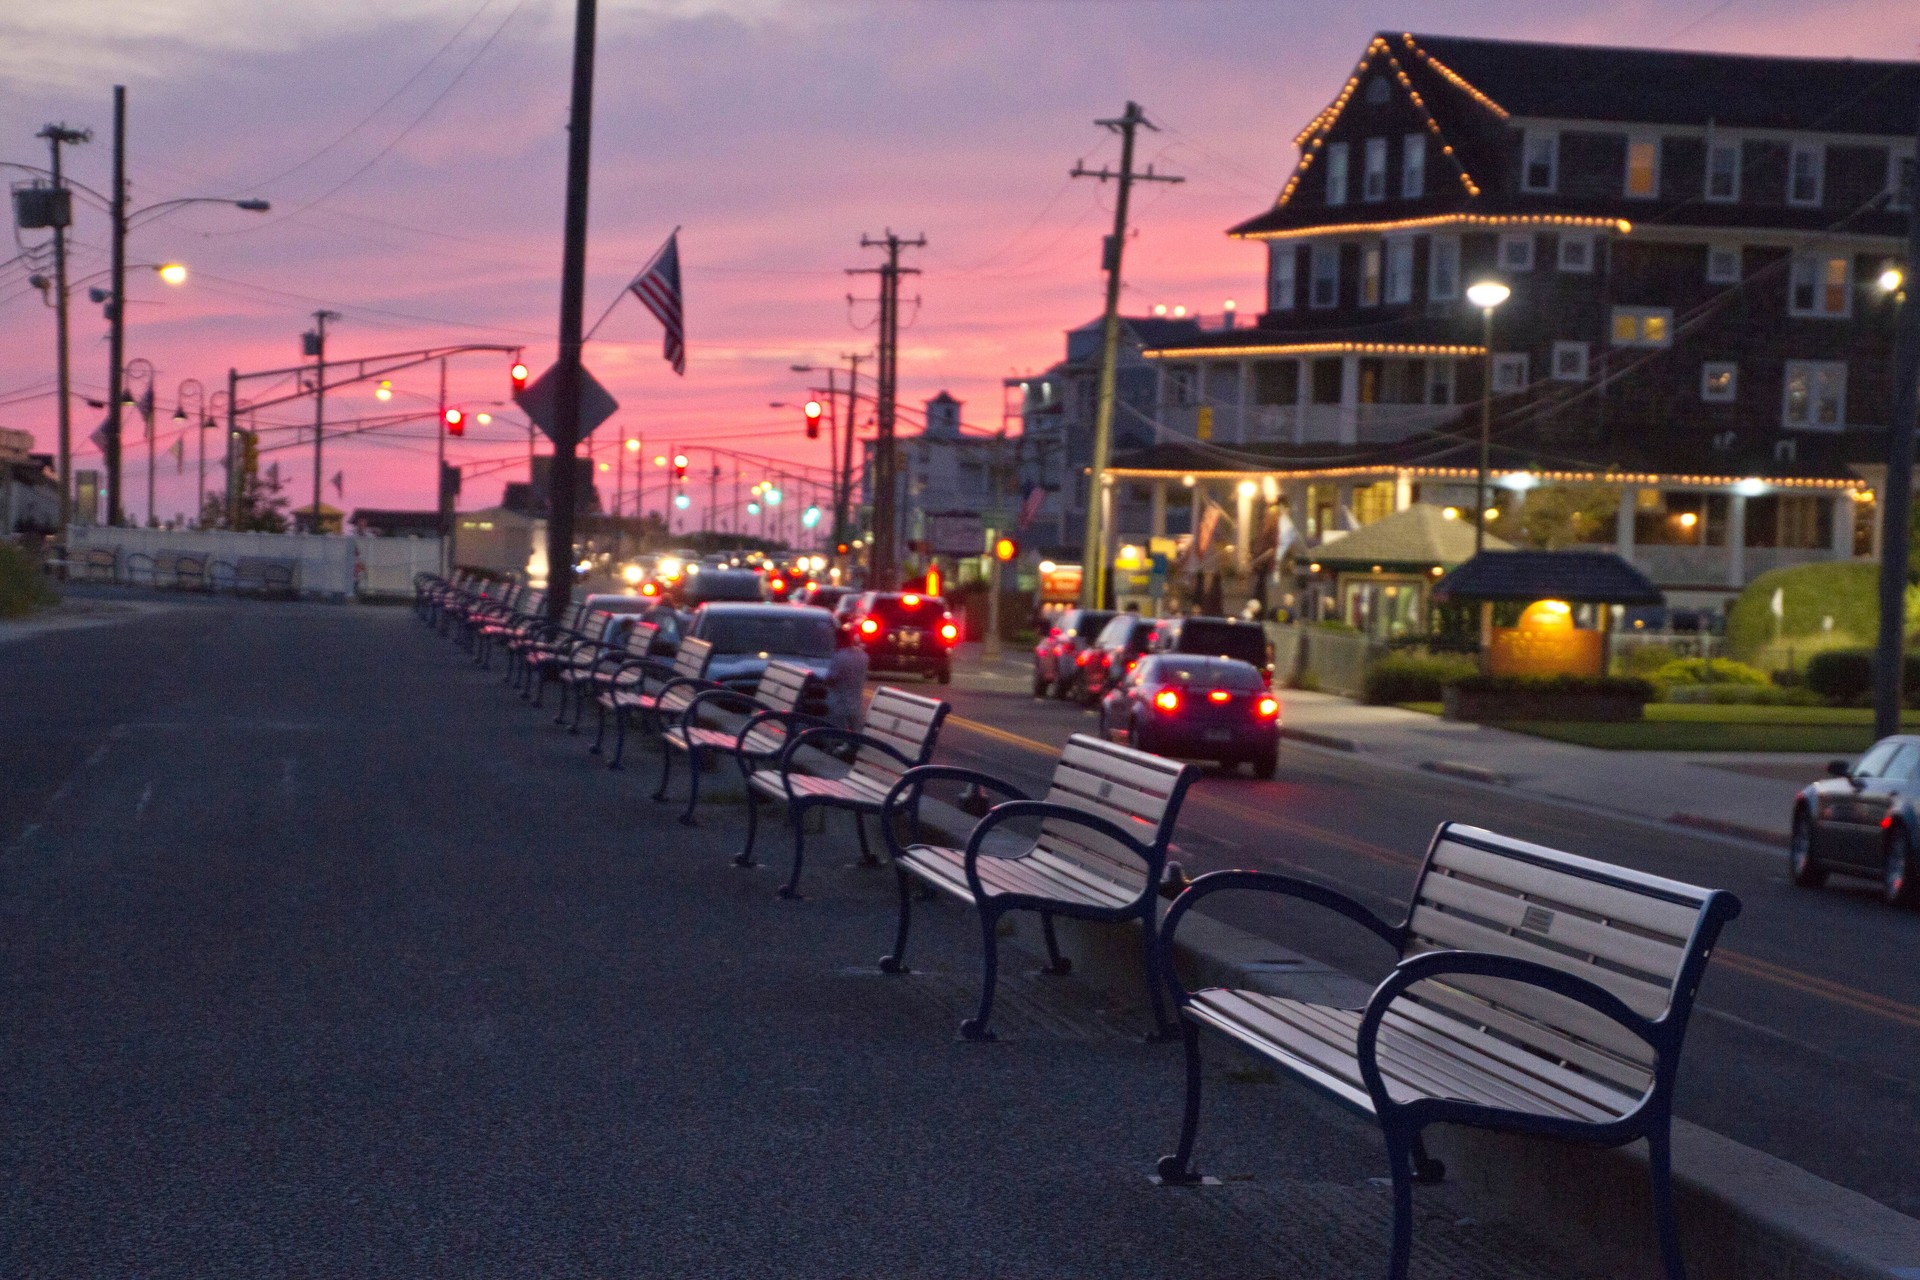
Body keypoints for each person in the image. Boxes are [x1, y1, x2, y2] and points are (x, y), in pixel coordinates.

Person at [824, 624, 869, 730]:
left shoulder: (839, 657)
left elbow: (831, 679)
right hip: (856, 706)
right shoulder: (863, 656)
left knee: (835, 733)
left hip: (838, 705)